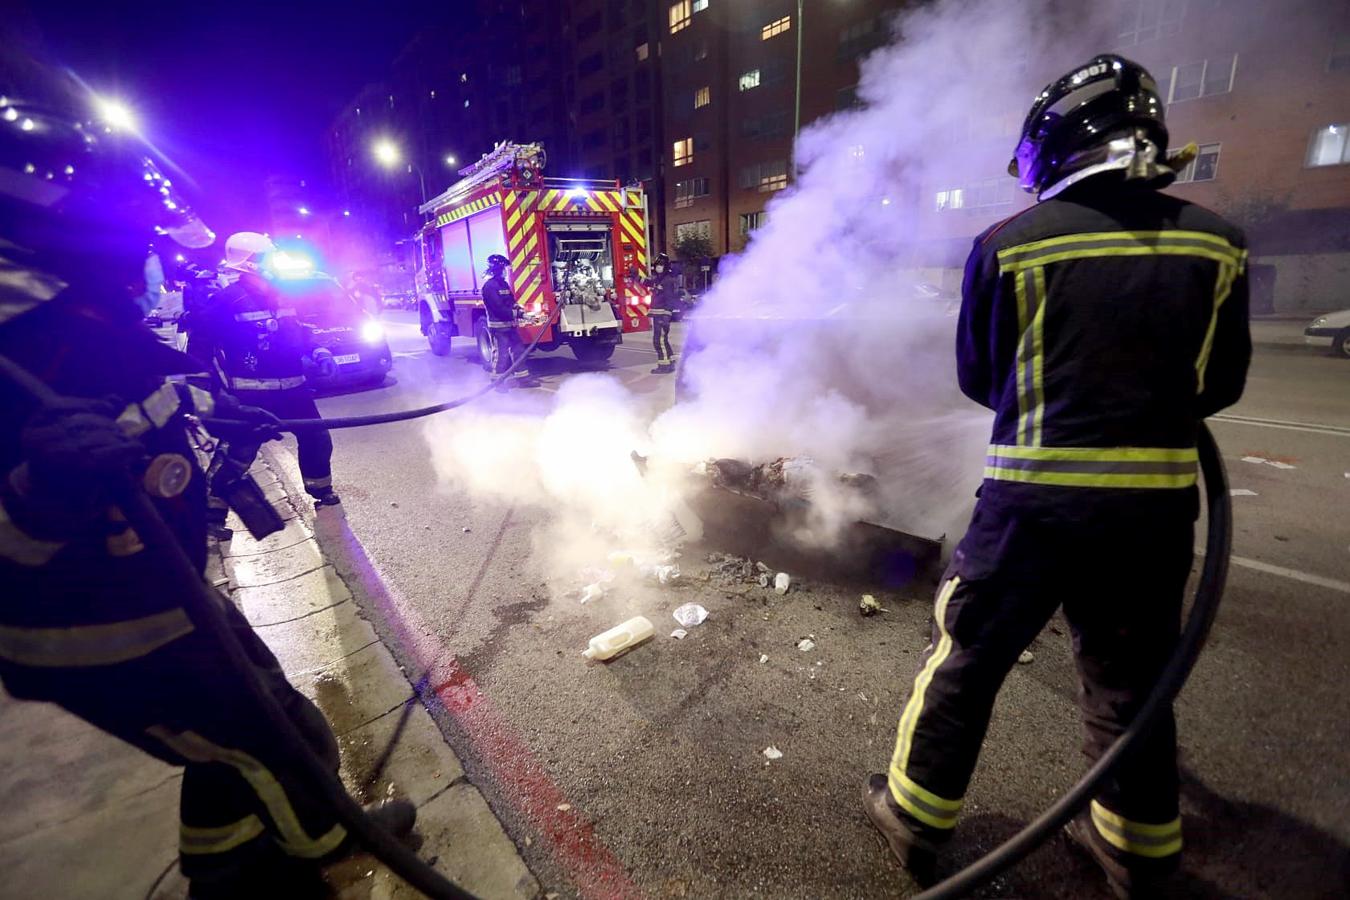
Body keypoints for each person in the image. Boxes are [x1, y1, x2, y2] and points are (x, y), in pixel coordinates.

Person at [0, 57, 413, 898]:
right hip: (104, 623)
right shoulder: (25, 347)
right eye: (131, 242)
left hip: (159, 584)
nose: (145, 259)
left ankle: (226, 869)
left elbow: (158, 397)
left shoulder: (83, 320)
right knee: (275, 732)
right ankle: (332, 849)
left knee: (223, 746)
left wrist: (218, 430)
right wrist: (36, 492)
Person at [863, 54, 1250, 899]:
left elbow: (980, 376)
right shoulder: (1216, 245)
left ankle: (915, 815)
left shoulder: (1008, 245)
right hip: (1151, 519)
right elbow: (1218, 385)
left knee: (967, 659)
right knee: (1132, 681)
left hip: (1029, 513)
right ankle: (1134, 849)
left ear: (1056, 147)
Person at [187, 232, 341, 505]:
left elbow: (298, 333)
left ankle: (319, 487)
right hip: (252, 396)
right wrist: (204, 391)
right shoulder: (225, 300)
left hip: (295, 390)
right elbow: (200, 346)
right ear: (250, 264)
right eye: (268, 258)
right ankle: (210, 514)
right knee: (238, 452)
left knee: (317, 438)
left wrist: (318, 351)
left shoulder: (282, 296)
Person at [480, 253, 538, 388]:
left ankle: (523, 379)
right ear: (497, 269)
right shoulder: (489, 287)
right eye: (503, 268)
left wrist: (521, 311)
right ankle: (497, 382)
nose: (506, 271)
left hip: (510, 326)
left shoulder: (503, 284)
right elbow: (499, 308)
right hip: (499, 328)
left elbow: (511, 301)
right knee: (501, 355)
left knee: (519, 351)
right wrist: (520, 315)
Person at [645, 252, 679, 374]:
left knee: (658, 341)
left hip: (662, 315)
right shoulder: (659, 279)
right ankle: (670, 362)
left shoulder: (667, 281)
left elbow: (670, 299)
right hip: (658, 315)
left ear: (666, 266)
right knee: (663, 340)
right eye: (657, 264)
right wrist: (635, 277)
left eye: (660, 264)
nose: (658, 267)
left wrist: (666, 316)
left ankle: (664, 366)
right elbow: (647, 282)